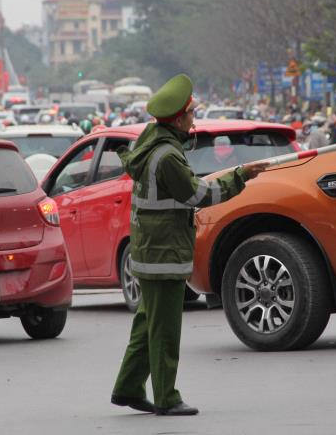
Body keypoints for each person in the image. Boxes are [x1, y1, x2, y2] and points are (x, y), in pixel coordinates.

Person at [111, 74, 267, 416]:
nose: (194, 117)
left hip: (151, 250)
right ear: (179, 118)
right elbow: (199, 194)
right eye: (192, 112)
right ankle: (167, 397)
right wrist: (240, 176)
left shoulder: (150, 145)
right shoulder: (167, 156)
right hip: (163, 253)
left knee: (147, 324)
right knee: (164, 329)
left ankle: (127, 388)